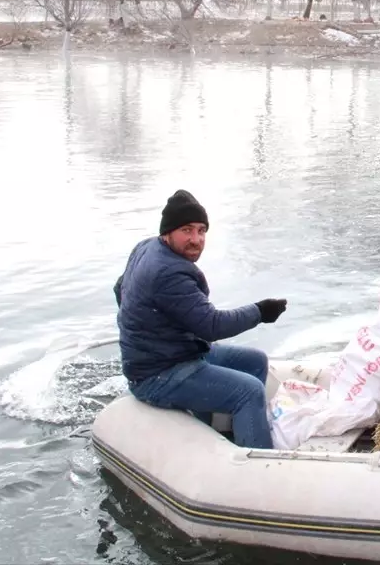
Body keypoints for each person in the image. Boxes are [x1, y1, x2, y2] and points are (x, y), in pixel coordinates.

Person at [113, 189, 288, 449]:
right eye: (186, 230)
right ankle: (256, 466)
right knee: (248, 390)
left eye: (201, 230)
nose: (196, 239)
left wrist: (152, 332)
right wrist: (261, 312)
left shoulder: (147, 247)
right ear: (168, 232)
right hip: (158, 374)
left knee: (255, 361)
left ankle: (235, 434)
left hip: (174, 354)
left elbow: (120, 289)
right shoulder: (168, 272)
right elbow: (211, 326)